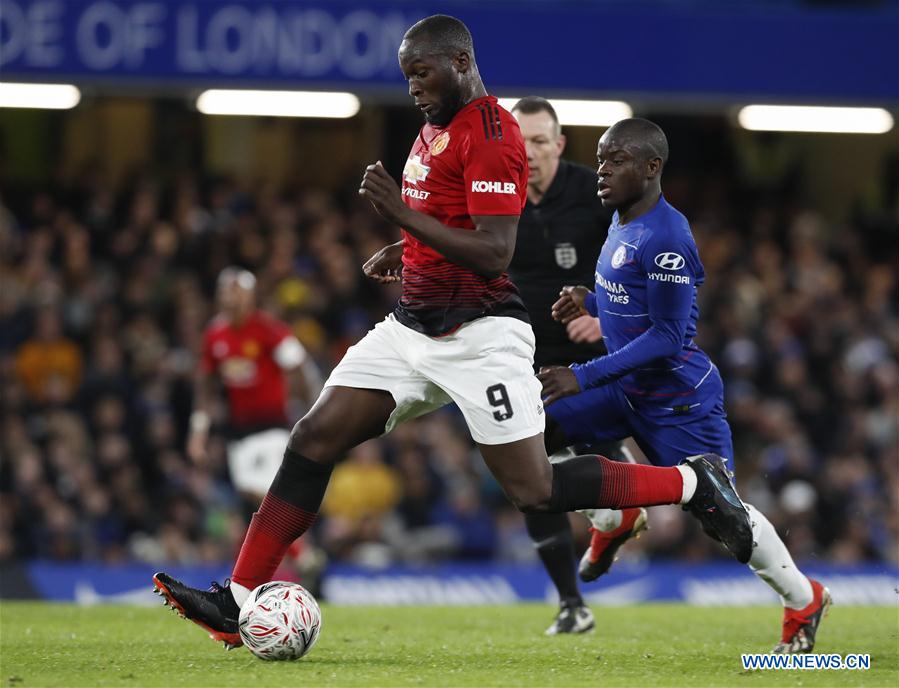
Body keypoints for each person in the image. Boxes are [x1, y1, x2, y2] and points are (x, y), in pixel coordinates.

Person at [152, 15, 753, 651]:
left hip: (481, 335)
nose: (413, 86)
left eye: (422, 72)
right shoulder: (434, 127)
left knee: (535, 489)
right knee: (312, 438)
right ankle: (238, 597)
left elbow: (494, 251)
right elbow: (449, 215)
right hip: (412, 328)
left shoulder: (493, 134)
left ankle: (693, 481)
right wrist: (406, 246)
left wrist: (400, 214)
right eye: (407, 75)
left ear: (461, 63)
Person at [540, 118, 831, 653]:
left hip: (677, 401)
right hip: (627, 388)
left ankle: (803, 598)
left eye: (616, 161)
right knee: (532, 431)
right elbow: (633, 302)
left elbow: (670, 336)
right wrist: (592, 300)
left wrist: (583, 375)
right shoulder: (622, 219)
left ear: (652, 167)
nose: (602, 170)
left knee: (724, 519)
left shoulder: (667, 236)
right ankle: (614, 516)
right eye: (601, 159)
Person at [509, 96, 647, 636]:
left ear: (559, 144)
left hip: (595, 356)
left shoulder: (597, 196)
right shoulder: (493, 196)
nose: (529, 153)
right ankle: (572, 603)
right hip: (521, 357)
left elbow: (648, 262)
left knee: (587, 453)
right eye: (519, 142)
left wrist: (605, 315)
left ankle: (631, 502)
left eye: (540, 141)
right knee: (523, 472)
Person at [188, 267, 321, 510]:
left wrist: (314, 415)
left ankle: (298, 536)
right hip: (239, 430)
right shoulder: (214, 334)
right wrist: (198, 432)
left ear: (250, 296)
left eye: (236, 291)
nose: (230, 297)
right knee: (251, 497)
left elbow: (300, 367)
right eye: (225, 291)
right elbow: (206, 385)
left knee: (269, 497)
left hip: (273, 427)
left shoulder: (269, 329)